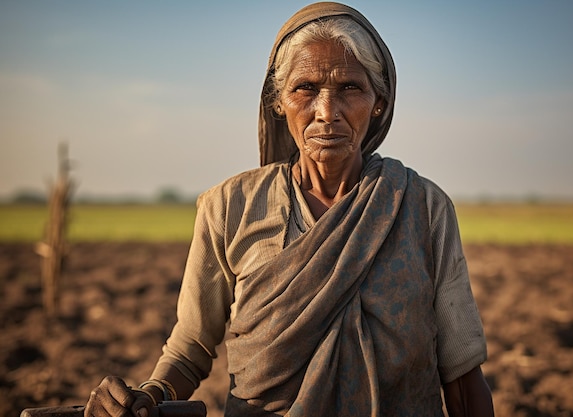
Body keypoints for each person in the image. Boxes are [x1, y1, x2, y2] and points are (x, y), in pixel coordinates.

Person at [85, 2, 494, 416]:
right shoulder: (229, 208)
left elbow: (461, 376)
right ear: (279, 102)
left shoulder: (422, 206)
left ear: (378, 103)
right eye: (306, 88)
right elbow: (190, 346)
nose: (326, 112)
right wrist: (150, 394)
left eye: (350, 88)